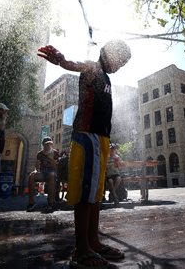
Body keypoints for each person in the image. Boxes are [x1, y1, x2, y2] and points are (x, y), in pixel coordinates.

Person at [38, 40, 131, 268]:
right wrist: (60, 59)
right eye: (119, 60)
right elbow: (73, 64)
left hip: (101, 139)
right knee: (86, 192)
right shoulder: (92, 67)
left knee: (96, 194)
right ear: (107, 53)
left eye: (123, 64)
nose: (119, 66)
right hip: (86, 135)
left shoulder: (107, 77)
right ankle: (81, 249)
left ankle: (93, 242)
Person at [26, 136, 60, 213]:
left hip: (52, 171)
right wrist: (35, 170)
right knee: (31, 176)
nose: (48, 146)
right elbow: (37, 166)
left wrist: (53, 162)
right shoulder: (40, 154)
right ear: (43, 145)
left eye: (50, 144)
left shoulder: (55, 153)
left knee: (51, 175)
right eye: (46, 144)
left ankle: (50, 203)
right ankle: (31, 202)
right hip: (42, 171)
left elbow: (57, 167)